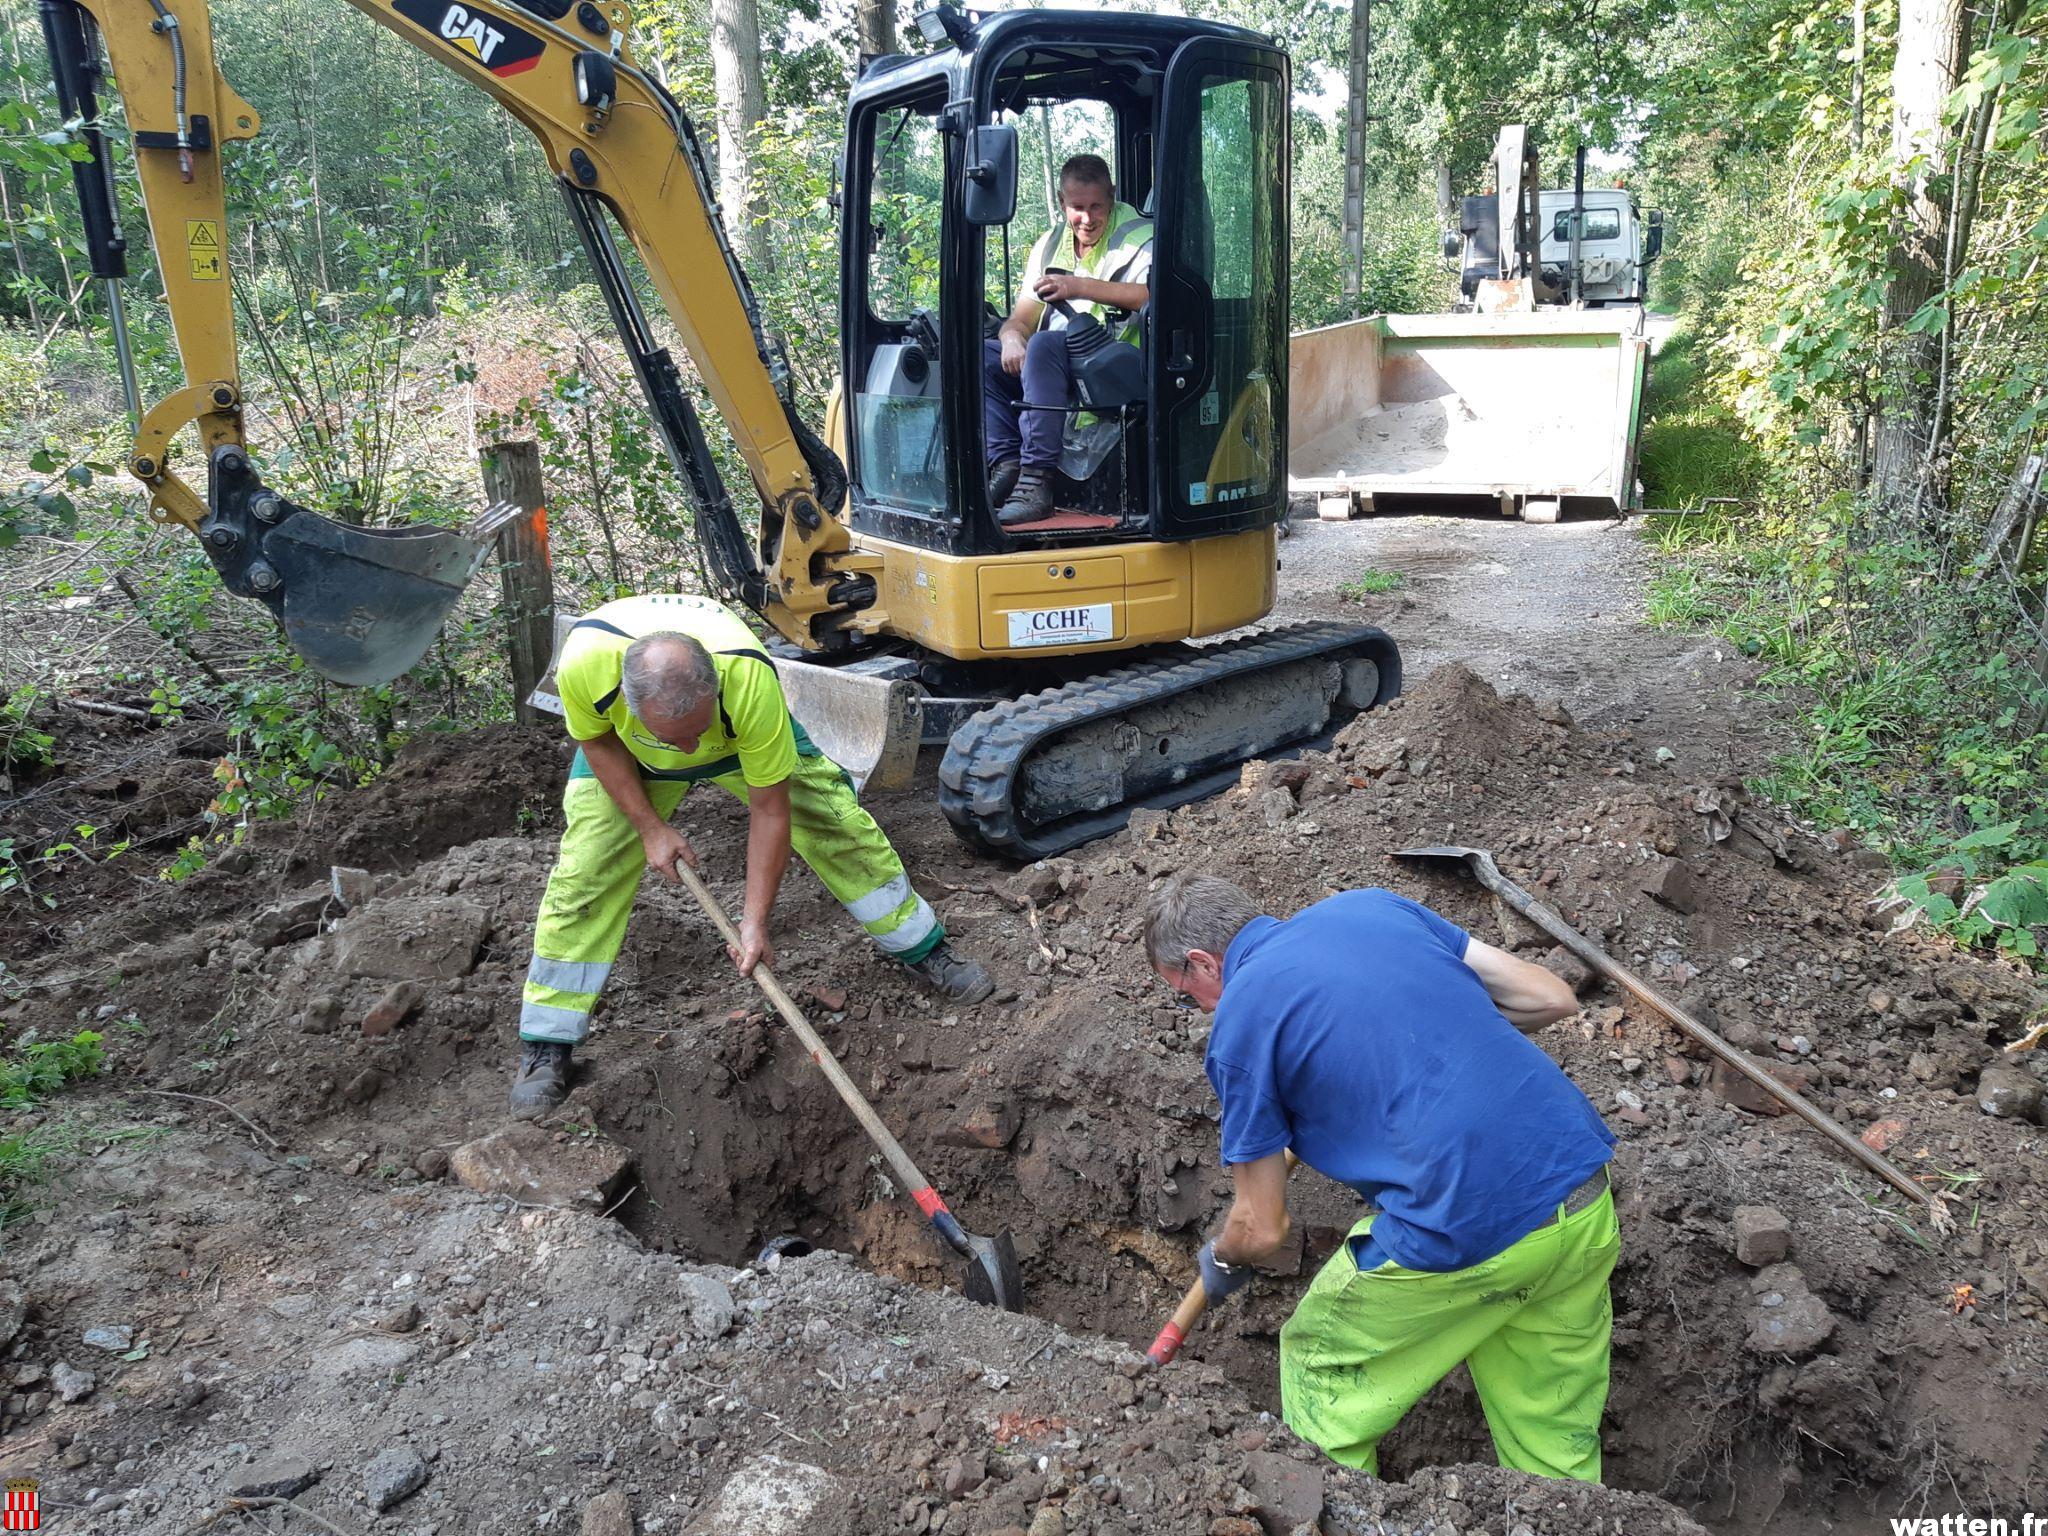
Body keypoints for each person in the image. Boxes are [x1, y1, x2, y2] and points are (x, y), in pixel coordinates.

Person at [1141, 873, 1619, 1481]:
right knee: (1551, 1442)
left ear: (1204, 962)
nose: (1200, 1011)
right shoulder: (1373, 908)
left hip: (1465, 1225)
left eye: (1187, 996)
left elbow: (1261, 1229)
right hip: (1579, 1195)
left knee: (1320, 1363)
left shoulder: (1243, 1022)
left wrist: (1225, 1259)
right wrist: (1432, 1041)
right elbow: (1550, 997)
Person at [509, 593, 995, 1114]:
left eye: (696, 732)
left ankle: (924, 950)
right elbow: (597, 742)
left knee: (838, 827)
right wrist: (650, 828)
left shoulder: (748, 681)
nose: (691, 752)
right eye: (675, 738)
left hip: (738, 743)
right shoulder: (584, 665)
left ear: (713, 690)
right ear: (629, 703)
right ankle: (547, 1044)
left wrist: (753, 922)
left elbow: (771, 811)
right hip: (630, 757)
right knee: (588, 871)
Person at [983, 152, 1152, 528]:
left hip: (1114, 362)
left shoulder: (1140, 235)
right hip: (1054, 362)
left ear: (1112, 195)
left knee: (1044, 346)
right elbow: (1022, 318)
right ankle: (1007, 464)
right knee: (983, 357)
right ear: (1062, 202)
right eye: (1077, 207)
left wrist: (1078, 287)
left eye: (1097, 206)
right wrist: (1011, 338)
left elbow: (1150, 296)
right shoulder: (1049, 245)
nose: (1087, 218)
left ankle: (1037, 481)